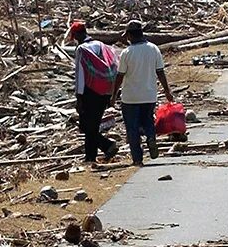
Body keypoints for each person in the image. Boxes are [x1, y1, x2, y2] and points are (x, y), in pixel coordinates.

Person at [112, 19, 173, 166]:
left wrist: (113, 95)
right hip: (149, 94)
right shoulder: (153, 49)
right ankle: (151, 137)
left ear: (130, 36)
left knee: (132, 128)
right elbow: (160, 72)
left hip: (130, 97)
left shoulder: (127, 53)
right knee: (148, 120)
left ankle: (137, 159)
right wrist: (167, 91)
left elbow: (120, 75)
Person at [69, 21, 119, 164]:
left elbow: (80, 75)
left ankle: (107, 145)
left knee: (86, 126)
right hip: (105, 91)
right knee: (93, 124)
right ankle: (90, 157)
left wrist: (79, 97)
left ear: (78, 35)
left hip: (89, 92)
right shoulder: (101, 45)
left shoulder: (82, 49)